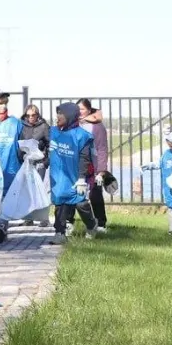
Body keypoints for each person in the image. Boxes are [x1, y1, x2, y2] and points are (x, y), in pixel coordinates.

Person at [48, 103, 99, 244]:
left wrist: (82, 178)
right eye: (57, 113)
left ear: (70, 116)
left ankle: (91, 224)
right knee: (60, 203)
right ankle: (60, 233)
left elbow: (84, 159)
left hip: (76, 177)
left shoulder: (82, 136)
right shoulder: (53, 132)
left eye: (61, 114)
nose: (57, 117)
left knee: (81, 204)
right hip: (59, 177)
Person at [0, 88, 22, 244]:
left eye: (5, 103)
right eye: (0, 103)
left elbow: (23, 142)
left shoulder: (15, 123)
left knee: (7, 199)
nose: (4, 107)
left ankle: (1, 226)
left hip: (10, 168)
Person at [78, 98, 110, 233]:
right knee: (76, 194)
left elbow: (102, 148)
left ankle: (101, 223)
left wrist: (101, 171)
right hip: (79, 164)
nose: (80, 112)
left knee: (95, 195)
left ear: (89, 110)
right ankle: (70, 222)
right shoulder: (75, 124)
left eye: (82, 109)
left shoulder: (97, 126)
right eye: (78, 109)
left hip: (94, 165)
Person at [20, 104, 51, 225]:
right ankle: (29, 218)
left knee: (40, 189)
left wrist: (46, 162)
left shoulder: (44, 127)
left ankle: (43, 218)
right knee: (27, 189)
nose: (31, 117)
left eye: (33, 115)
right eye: (28, 115)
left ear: (37, 115)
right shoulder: (22, 126)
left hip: (40, 162)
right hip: (26, 162)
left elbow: (50, 145)